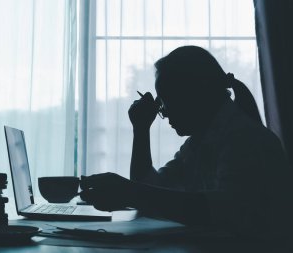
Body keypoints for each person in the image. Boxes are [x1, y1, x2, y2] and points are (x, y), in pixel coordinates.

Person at [80, 46, 293, 239]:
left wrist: (131, 193)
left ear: (195, 93)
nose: (163, 110)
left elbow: (223, 211)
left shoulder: (245, 140)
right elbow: (150, 188)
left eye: (167, 100)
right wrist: (141, 129)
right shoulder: (200, 143)